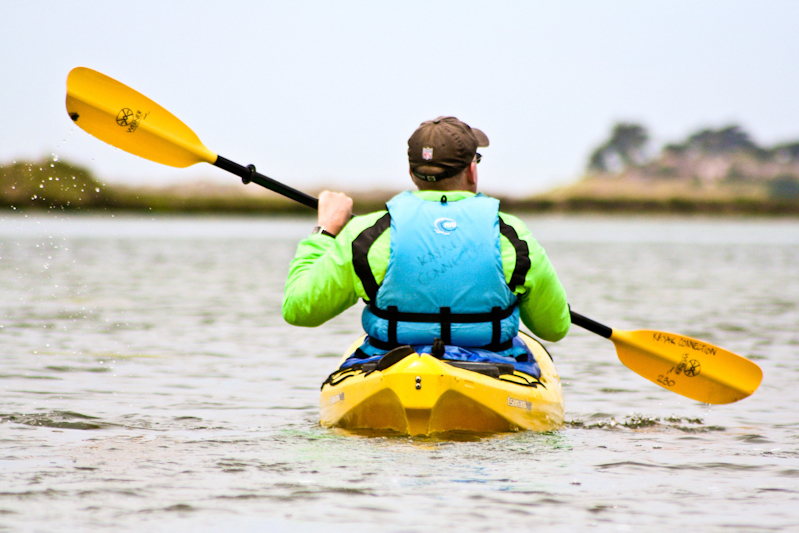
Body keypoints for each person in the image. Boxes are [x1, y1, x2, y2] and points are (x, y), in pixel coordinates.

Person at [283, 116, 569, 371]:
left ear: (412, 173)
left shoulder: (366, 233)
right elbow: (554, 328)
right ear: (471, 170)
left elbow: (299, 310)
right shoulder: (511, 234)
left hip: (394, 366)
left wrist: (326, 231)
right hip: (491, 367)